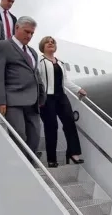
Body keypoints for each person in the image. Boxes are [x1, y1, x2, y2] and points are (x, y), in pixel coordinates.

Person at [0, 16, 46, 161]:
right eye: (27, 32)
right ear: (16, 28)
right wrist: (0, 101)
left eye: (32, 33)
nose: (29, 36)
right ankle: (19, 169)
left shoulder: (33, 52)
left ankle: (29, 168)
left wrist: (42, 95)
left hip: (33, 102)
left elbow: (36, 74)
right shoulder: (2, 46)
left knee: (34, 139)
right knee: (19, 138)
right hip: (13, 101)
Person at [37, 36, 87, 168]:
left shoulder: (60, 63)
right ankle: (51, 159)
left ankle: (73, 153)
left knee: (70, 122)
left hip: (61, 97)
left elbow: (65, 81)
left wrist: (78, 89)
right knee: (51, 127)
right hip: (47, 98)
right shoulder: (40, 62)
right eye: (47, 42)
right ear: (43, 46)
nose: (50, 44)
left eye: (52, 42)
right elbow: (38, 80)